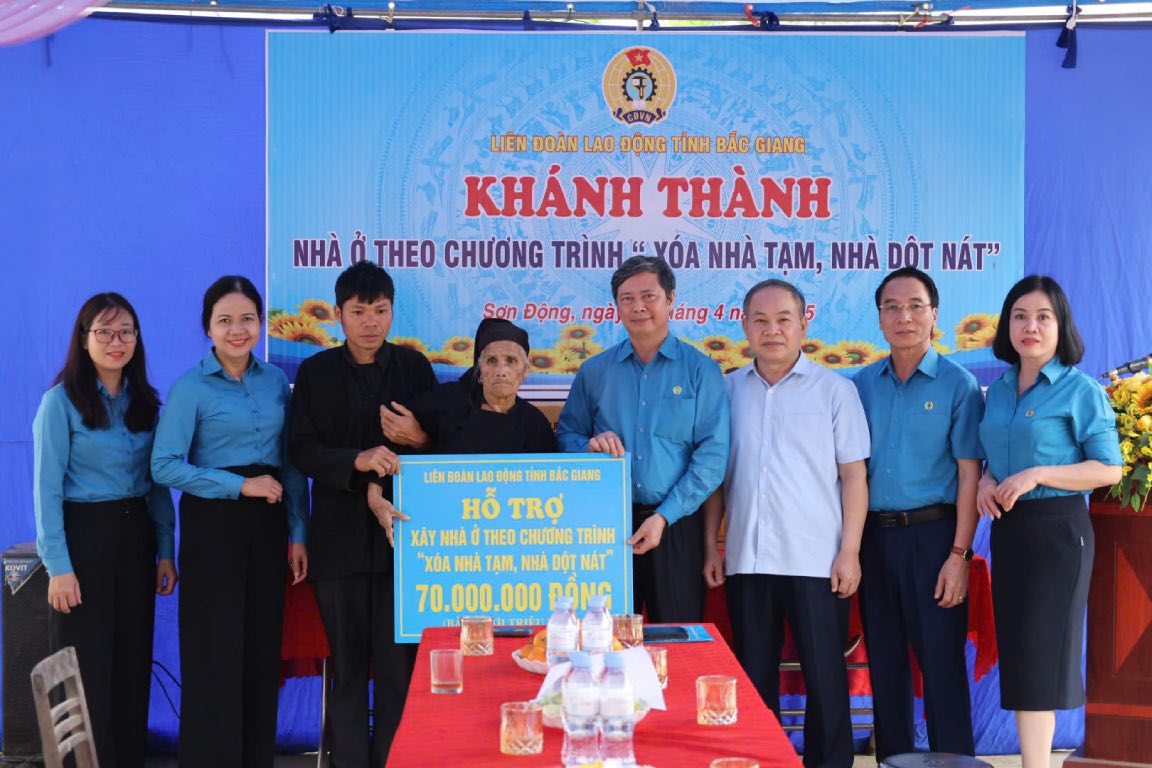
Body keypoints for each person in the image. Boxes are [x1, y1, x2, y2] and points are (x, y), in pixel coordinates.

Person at [703, 279, 869, 768]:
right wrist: (714, 546)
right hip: (747, 560)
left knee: (825, 678)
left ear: (803, 324)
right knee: (753, 679)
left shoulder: (836, 391)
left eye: (783, 320)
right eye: (760, 320)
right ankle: (762, 761)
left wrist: (850, 551)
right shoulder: (727, 390)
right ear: (745, 327)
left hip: (817, 559)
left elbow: (854, 475)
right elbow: (716, 477)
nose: (772, 330)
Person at [152, 275, 309, 768]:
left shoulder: (274, 382)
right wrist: (239, 485)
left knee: (261, 652)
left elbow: (290, 463)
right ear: (207, 329)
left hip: (266, 529)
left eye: (247, 319)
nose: (237, 330)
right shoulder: (189, 387)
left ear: (261, 324)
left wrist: (298, 532)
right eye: (225, 321)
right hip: (213, 528)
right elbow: (163, 464)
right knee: (214, 654)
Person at [288, 261, 437, 767]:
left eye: (380, 310)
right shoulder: (314, 373)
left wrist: (415, 440)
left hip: (404, 541)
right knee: (347, 667)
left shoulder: (415, 369)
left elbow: (438, 446)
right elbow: (303, 449)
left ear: (392, 311)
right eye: (358, 311)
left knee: (399, 668)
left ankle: (396, 760)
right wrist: (357, 461)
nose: (370, 322)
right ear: (337, 315)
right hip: (339, 541)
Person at [978, 275, 1122, 768]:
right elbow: (993, 456)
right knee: (1021, 658)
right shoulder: (996, 391)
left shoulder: (1079, 390)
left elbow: (1108, 467)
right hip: (1010, 532)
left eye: (1043, 317)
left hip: (1059, 533)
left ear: (1061, 325)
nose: (1030, 327)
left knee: (1041, 657)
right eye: (1020, 316)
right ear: (1006, 325)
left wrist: (1038, 472)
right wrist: (985, 481)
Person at [32, 292, 177, 768]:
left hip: (135, 541)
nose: (117, 341)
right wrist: (58, 567)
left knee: (131, 664)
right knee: (84, 667)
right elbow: (46, 492)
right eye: (105, 332)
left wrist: (164, 551)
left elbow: (156, 486)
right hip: (83, 542)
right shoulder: (60, 404)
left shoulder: (146, 405)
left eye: (126, 332)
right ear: (84, 338)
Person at [852, 268, 983, 760]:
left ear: (934, 315)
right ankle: (894, 759)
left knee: (942, 666)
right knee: (884, 664)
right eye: (892, 307)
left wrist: (959, 555)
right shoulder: (861, 384)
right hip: (873, 539)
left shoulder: (958, 385)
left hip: (934, 538)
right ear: (880, 319)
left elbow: (970, 476)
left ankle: (954, 761)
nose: (904, 317)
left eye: (915, 306)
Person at [556, 255, 729, 622]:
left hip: (676, 525)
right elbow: (566, 434)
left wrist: (664, 517)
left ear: (670, 299)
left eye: (648, 296)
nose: (638, 307)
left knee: (679, 641)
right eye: (626, 298)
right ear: (616, 306)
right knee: (606, 637)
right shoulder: (595, 371)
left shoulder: (700, 371)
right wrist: (587, 446)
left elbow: (712, 459)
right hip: (605, 527)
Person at [404, 317, 556, 456]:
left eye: (511, 360)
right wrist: (421, 441)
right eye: (491, 361)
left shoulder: (535, 423)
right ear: (480, 370)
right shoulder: (447, 403)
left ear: (525, 369)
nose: (501, 371)